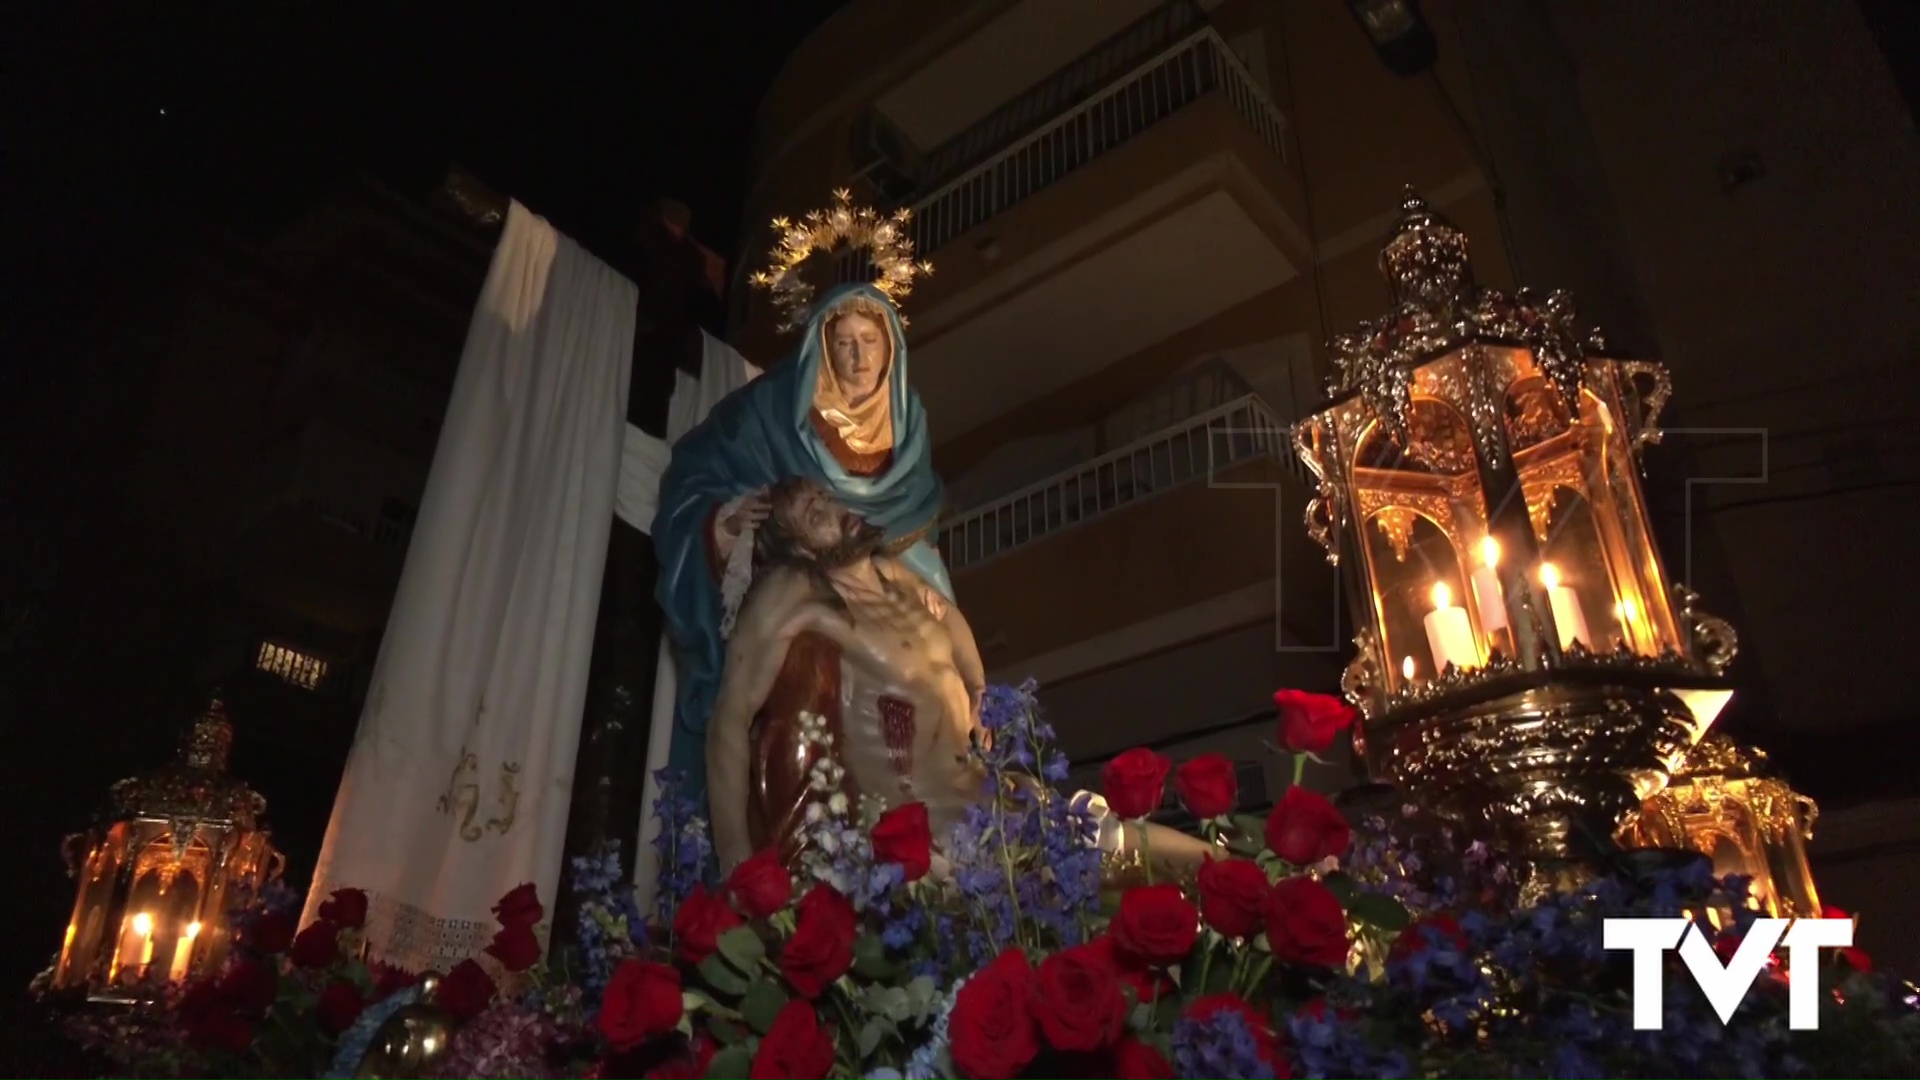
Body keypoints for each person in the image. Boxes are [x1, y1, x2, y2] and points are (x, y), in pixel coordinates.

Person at [708, 478, 1213, 879]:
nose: (838, 510)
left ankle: (1253, 876)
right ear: (801, 551)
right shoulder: (793, 592)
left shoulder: (890, 574)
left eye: (827, 498)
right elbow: (730, 720)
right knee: (1129, 881)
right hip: (938, 832)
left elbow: (948, 615)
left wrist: (976, 687)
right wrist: (736, 863)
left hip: (998, 792)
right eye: (817, 517)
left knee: (1184, 860)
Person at [652, 282, 952, 814]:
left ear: (892, 350)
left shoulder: (907, 432)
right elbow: (694, 479)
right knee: (802, 686)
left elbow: (912, 542)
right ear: (822, 347)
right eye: (844, 342)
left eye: (870, 340)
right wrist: (725, 522)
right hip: (793, 618)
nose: (859, 356)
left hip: (884, 625)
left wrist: (930, 595)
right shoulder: (770, 412)